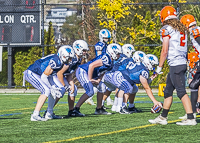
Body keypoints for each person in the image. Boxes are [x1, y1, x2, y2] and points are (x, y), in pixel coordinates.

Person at [148, 6, 197, 125]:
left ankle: (190, 118)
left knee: (181, 91)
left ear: (163, 17)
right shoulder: (182, 29)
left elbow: (165, 50)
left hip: (175, 63)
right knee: (168, 91)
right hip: (180, 62)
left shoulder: (166, 28)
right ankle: (163, 117)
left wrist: (159, 67)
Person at [23, 46, 75, 121]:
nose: (70, 60)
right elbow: (44, 76)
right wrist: (52, 87)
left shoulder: (60, 61)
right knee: (46, 90)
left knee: (58, 90)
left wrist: (58, 87)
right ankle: (35, 115)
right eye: (69, 58)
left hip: (42, 74)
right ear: (62, 55)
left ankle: (49, 113)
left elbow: (49, 75)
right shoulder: (56, 61)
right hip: (32, 73)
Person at [71, 43, 122, 116]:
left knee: (102, 87)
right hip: (83, 71)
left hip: (91, 73)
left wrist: (99, 79)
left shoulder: (111, 62)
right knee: (90, 91)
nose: (119, 55)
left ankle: (99, 108)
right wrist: (90, 79)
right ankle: (76, 109)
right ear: (112, 52)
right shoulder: (106, 58)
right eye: (117, 54)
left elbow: (103, 72)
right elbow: (91, 66)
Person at [43, 40, 89, 119]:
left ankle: (71, 111)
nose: (85, 52)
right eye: (84, 50)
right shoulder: (73, 58)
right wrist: (63, 85)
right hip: (55, 75)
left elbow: (69, 73)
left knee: (73, 89)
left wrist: (71, 84)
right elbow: (60, 72)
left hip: (61, 76)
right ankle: (48, 111)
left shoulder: (78, 59)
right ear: (78, 49)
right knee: (60, 91)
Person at [102, 44, 135, 110]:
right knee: (123, 87)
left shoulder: (120, 57)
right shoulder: (126, 59)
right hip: (114, 75)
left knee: (111, 88)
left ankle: (111, 105)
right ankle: (120, 106)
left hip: (109, 74)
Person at [179, 14, 200, 119]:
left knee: (193, 85)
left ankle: (191, 113)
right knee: (193, 86)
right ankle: (191, 113)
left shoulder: (194, 30)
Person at [85, 29, 112, 106]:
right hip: (100, 64)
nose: (107, 39)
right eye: (105, 38)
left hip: (104, 64)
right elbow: (99, 55)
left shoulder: (105, 45)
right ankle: (103, 100)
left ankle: (103, 100)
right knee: (103, 83)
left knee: (102, 84)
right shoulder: (99, 45)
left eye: (108, 38)